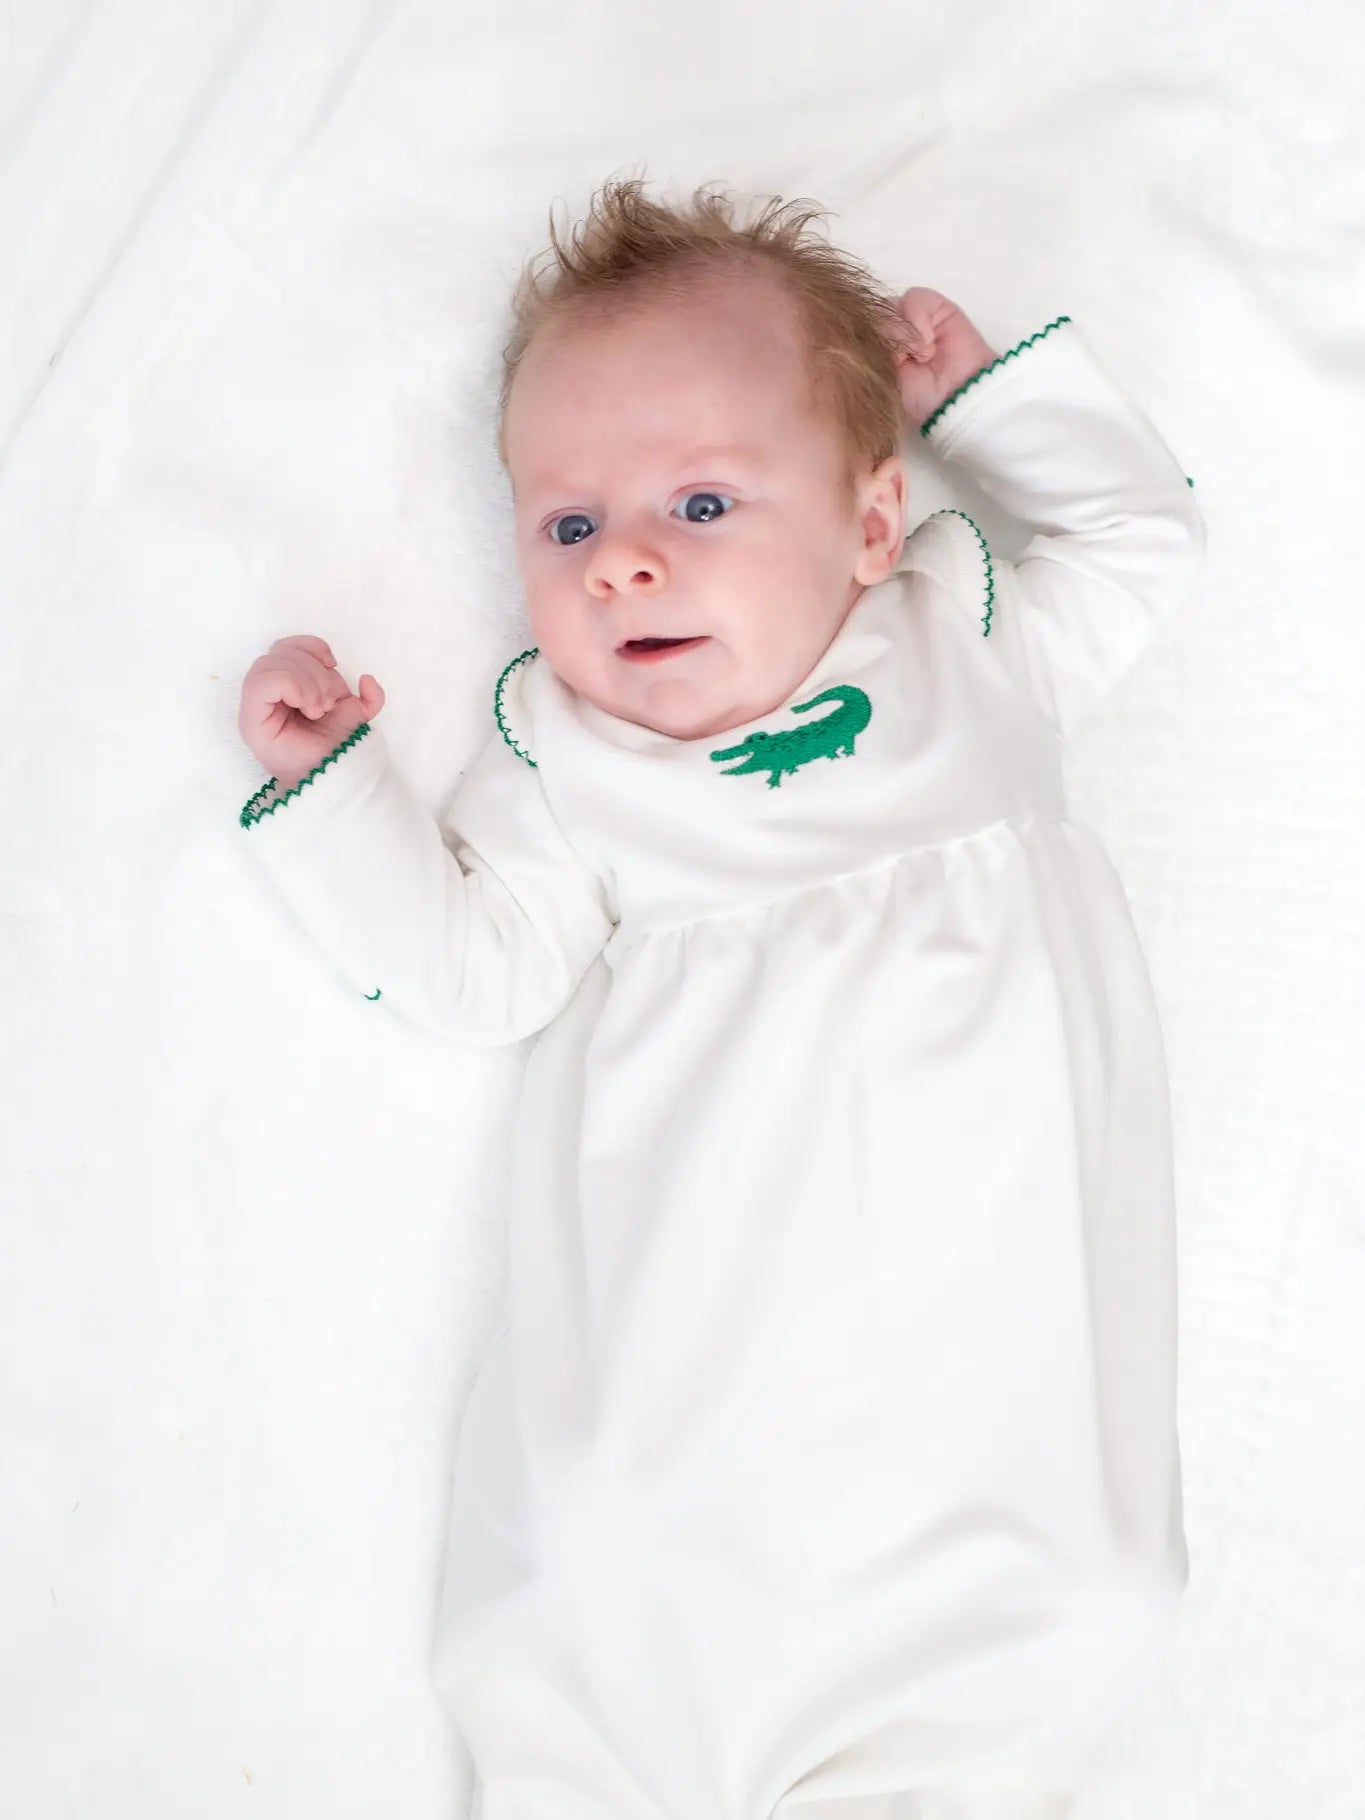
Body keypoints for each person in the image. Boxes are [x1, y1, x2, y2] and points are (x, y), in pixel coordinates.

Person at [234, 177, 1206, 1820]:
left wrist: (984, 397)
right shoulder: (568, 759)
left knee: (1083, 1591)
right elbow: (476, 972)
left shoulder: (969, 644)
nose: (622, 564)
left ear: (873, 525)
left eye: (699, 505)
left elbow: (1140, 536)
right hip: (707, 1313)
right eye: (567, 527)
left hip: (988, 1327)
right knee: (601, 1545)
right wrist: (336, 795)